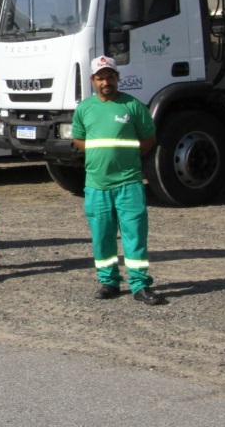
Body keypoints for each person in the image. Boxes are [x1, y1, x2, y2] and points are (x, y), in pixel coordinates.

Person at [71, 56, 165, 305]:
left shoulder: (133, 106)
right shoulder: (84, 109)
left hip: (128, 183)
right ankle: (108, 282)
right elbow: (78, 139)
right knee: (102, 237)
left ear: (117, 78)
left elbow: (149, 138)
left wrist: (126, 158)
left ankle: (140, 285)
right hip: (97, 185)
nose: (106, 82)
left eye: (110, 77)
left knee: (134, 235)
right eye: (100, 78)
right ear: (92, 80)